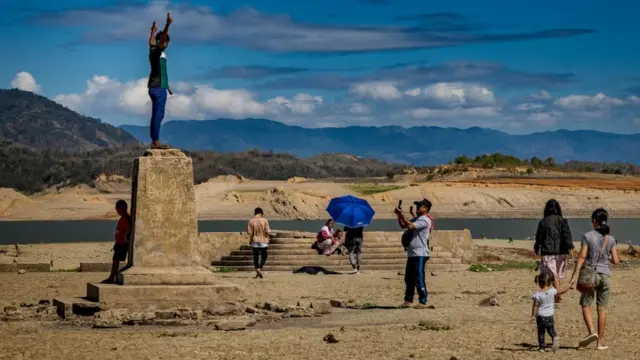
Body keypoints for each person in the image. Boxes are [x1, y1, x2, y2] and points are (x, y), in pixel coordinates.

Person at [568, 208, 619, 350]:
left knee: (586, 304)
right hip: (606, 276)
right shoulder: (611, 239)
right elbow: (616, 260)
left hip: (590, 275)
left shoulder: (587, 236)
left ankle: (592, 332)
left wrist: (574, 276)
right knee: (602, 309)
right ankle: (600, 343)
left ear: (594, 221)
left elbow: (582, 256)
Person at [534, 199, 574, 302]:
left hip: (548, 251)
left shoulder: (543, 221)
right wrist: (570, 247)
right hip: (561, 251)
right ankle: (557, 295)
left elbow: (539, 237)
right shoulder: (562, 220)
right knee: (556, 274)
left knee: (554, 274)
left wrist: (537, 246)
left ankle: (558, 293)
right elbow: (567, 234)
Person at [395, 198, 432, 307]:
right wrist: (399, 215)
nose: (417, 208)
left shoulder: (425, 220)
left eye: (419, 206)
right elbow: (404, 225)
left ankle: (422, 300)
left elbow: (411, 226)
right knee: (409, 278)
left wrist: (402, 215)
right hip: (412, 253)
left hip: (420, 253)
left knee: (418, 277)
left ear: (425, 208)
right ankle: (408, 300)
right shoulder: (417, 219)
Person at [148, 12, 173, 149]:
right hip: (159, 87)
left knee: (156, 115)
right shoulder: (158, 51)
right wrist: (167, 25)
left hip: (153, 87)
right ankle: (156, 142)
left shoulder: (152, 49)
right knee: (159, 114)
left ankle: (154, 140)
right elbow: (162, 39)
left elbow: (151, 41)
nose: (166, 45)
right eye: (166, 43)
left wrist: (152, 32)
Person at [531, 273, 571, 352]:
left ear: (539, 283)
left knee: (541, 332)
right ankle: (554, 337)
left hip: (541, 316)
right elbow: (562, 291)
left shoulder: (537, 295)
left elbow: (535, 306)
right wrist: (570, 285)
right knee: (550, 329)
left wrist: (533, 316)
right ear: (549, 282)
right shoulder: (553, 291)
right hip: (549, 316)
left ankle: (542, 347)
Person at [101, 200, 131, 284]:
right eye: (117, 209)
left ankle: (111, 278)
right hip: (118, 243)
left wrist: (125, 237)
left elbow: (129, 228)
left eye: (118, 209)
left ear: (123, 208)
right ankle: (111, 277)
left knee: (115, 260)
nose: (117, 211)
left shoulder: (126, 218)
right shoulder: (123, 218)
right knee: (115, 260)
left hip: (122, 244)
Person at [248, 207, 271, 279]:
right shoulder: (264, 220)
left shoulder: (251, 221)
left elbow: (249, 232)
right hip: (263, 241)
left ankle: (257, 268)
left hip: (254, 241)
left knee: (256, 257)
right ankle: (260, 268)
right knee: (264, 256)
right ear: (261, 213)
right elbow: (267, 231)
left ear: (255, 212)